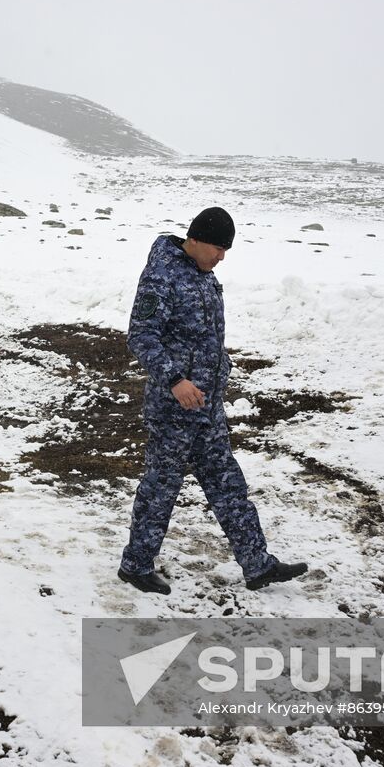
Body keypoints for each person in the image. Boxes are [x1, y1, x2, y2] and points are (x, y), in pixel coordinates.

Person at [118, 207, 308, 594]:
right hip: (173, 409)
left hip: (206, 407)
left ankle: (257, 564)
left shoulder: (204, 277)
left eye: (226, 250)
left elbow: (202, 337)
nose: (222, 257)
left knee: (228, 484)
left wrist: (220, 365)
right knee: (161, 487)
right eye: (218, 248)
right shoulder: (162, 275)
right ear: (196, 238)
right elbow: (141, 335)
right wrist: (175, 380)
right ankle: (135, 565)